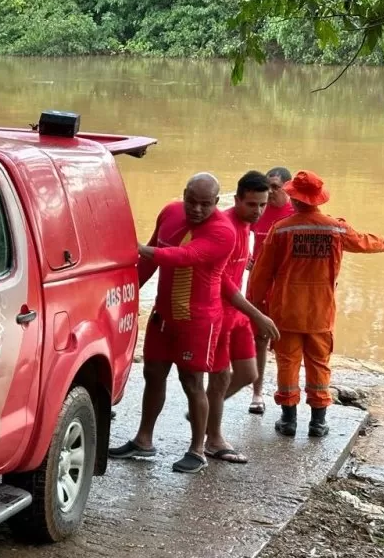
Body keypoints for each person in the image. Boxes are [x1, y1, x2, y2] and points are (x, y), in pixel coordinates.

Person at [110, 173, 278, 474]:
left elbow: (181, 256)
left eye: (205, 204)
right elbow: (152, 259)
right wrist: (126, 297)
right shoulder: (170, 212)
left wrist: (131, 246)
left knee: (193, 382)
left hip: (199, 320)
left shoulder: (223, 232)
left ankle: (198, 449)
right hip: (164, 314)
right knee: (152, 373)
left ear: (216, 202)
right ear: (183, 194)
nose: (197, 209)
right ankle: (143, 440)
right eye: (192, 201)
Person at [247, 170, 384, 438]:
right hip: (321, 313)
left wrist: (255, 307)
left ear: (294, 199)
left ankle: (288, 422)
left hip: (287, 311)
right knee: (319, 364)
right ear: (318, 200)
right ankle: (318, 423)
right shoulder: (335, 228)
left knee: (287, 363)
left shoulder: (281, 229)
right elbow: (365, 242)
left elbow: (261, 273)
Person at [202, 170, 271, 463]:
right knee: (220, 378)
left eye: (263, 205)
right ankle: (213, 439)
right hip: (219, 311)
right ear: (237, 199)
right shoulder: (224, 227)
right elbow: (221, 282)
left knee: (248, 373)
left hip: (237, 313)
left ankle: (202, 409)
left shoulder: (247, 227)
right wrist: (258, 314)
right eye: (252, 204)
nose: (258, 211)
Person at [246, 166, 294, 414]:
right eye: (268, 186)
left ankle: (288, 398)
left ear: (288, 187)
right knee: (259, 338)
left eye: (276, 187)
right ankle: (257, 393)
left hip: (286, 288)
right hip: (258, 285)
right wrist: (244, 257)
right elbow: (239, 231)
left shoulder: (295, 211)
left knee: (287, 341)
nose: (270, 192)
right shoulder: (258, 208)